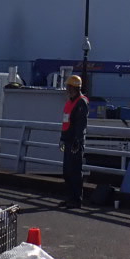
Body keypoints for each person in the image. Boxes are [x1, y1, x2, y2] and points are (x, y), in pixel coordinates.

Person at [59, 74, 88, 208]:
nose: (67, 89)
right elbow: (66, 122)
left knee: (75, 172)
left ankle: (76, 200)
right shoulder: (70, 102)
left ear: (74, 88)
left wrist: (78, 140)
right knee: (67, 172)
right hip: (68, 140)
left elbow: (80, 124)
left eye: (68, 87)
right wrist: (63, 138)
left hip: (75, 142)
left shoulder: (81, 102)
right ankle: (70, 198)